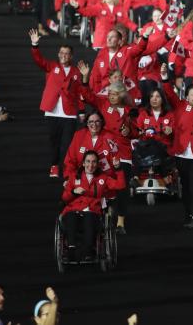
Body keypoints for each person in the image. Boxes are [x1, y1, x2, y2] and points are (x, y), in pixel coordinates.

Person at [161, 64, 193, 229]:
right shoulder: (181, 106)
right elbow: (169, 93)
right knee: (185, 186)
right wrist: (164, 78)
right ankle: (189, 214)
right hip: (182, 154)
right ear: (187, 96)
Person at [29, 29, 82, 178]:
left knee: (67, 143)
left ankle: (67, 167)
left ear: (71, 56)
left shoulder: (76, 72)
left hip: (69, 113)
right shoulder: (52, 67)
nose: (63, 55)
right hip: (52, 111)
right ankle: (54, 165)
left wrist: (82, 111)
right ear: (58, 54)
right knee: (54, 141)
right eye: (61, 53)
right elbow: (38, 59)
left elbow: (80, 93)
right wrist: (35, 44)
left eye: (66, 53)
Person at [61, 151, 126, 262]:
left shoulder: (103, 178)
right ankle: (71, 249)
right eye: (88, 161)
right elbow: (64, 198)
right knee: (70, 215)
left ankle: (89, 250)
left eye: (94, 162)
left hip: (92, 212)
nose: (91, 165)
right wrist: (73, 191)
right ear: (83, 163)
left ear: (97, 164)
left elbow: (120, 185)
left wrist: (118, 169)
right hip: (74, 211)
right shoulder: (74, 177)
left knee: (89, 217)